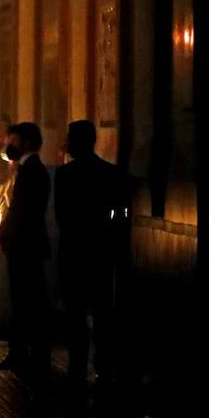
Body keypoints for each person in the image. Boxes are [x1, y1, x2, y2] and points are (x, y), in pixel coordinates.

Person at [55, 120, 129, 386]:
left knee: (75, 311)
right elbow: (120, 212)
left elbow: (62, 216)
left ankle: (77, 365)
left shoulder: (64, 175)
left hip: (74, 251)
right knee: (102, 311)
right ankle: (103, 365)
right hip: (101, 250)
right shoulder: (111, 173)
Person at [0, 121, 51, 375]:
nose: (9, 145)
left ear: (26, 142)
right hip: (25, 242)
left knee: (25, 299)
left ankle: (27, 354)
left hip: (24, 243)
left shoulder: (31, 171)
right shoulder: (26, 169)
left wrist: (7, 234)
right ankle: (27, 352)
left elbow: (22, 210)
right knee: (26, 298)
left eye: (13, 141)